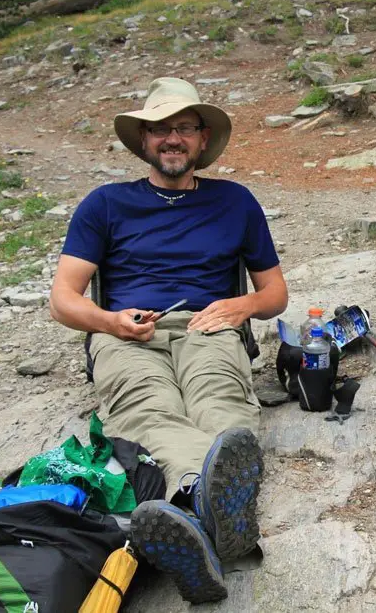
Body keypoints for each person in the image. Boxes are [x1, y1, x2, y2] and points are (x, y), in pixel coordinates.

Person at [49, 77, 288, 603]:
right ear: (143, 141)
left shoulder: (236, 202)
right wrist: (110, 322)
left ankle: (192, 519)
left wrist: (241, 306)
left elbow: (274, 293)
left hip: (209, 324)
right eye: (159, 129)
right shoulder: (106, 204)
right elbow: (64, 298)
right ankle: (210, 503)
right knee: (147, 405)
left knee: (217, 396)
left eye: (183, 128)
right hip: (129, 332)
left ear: (203, 139)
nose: (171, 138)